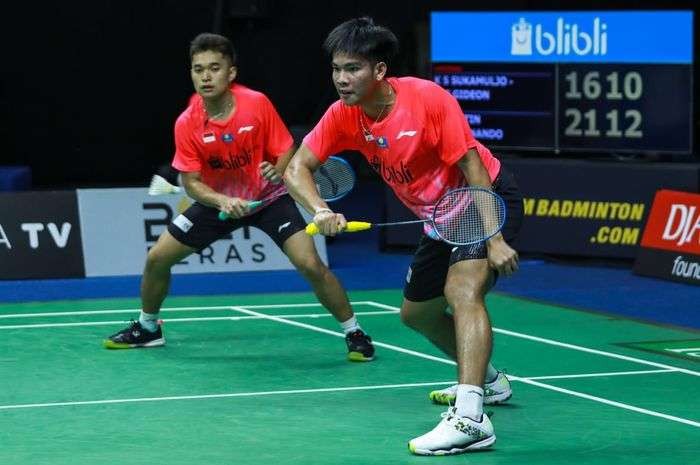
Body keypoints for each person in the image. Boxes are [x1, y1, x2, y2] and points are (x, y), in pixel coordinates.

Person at [284, 18, 523, 455]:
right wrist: (321, 209)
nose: (341, 78)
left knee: (462, 288)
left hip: (480, 199)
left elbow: (471, 168)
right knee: (417, 314)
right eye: (336, 68)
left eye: (352, 68)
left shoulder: (427, 100)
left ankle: (471, 418)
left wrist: (494, 237)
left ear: (378, 71)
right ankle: (489, 382)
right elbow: (296, 168)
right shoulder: (343, 115)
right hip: (438, 218)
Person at [104, 32, 375, 362]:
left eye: (214, 68)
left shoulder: (255, 105)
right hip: (217, 203)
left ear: (231, 73)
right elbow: (190, 181)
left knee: (310, 264)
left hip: (269, 200)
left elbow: (287, 148)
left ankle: (355, 332)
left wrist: (278, 169)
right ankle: (148, 329)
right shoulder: (187, 123)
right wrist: (220, 201)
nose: (205, 76)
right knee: (157, 259)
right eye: (198, 69)